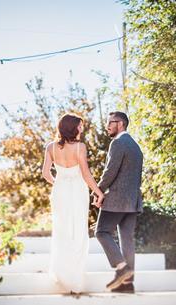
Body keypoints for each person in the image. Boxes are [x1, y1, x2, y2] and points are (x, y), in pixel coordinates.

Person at [42, 113, 104, 293]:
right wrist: (98, 192)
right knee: (78, 232)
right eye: (80, 126)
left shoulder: (51, 147)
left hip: (59, 192)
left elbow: (46, 174)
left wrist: (60, 183)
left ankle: (62, 277)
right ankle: (74, 280)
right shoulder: (80, 147)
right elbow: (86, 174)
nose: (82, 129)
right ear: (73, 127)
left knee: (61, 230)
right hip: (78, 192)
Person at [94, 111, 143, 294]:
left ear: (120, 124)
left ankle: (121, 268)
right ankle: (127, 285)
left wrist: (97, 191)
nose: (107, 126)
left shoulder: (118, 143)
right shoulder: (135, 146)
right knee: (127, 240)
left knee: (102, 232)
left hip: (117, 198)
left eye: (110, 123)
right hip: (133, 201)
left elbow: (110, 171)